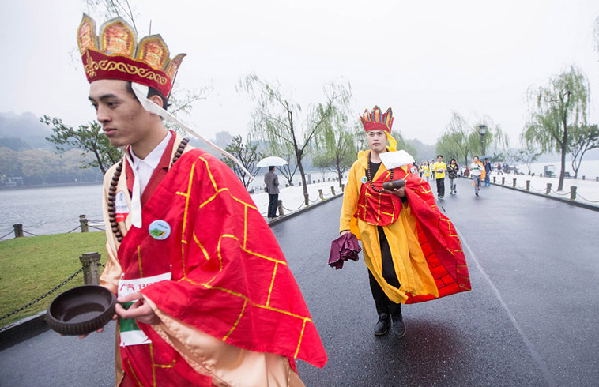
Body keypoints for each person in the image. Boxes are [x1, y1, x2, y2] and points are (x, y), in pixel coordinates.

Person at [76, 15, 325, 386]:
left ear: (153, 102)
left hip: (202, 338)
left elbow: (236, 265)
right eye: (95, 104)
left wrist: (162, 299)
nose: (100, 117)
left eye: (111, 103)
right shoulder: (114, 180)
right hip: (136, 335)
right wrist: (107, 291)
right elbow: (118, 257)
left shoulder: (206, 172)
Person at [339, 106, 471, 338]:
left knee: (392, 271)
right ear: (367, 137)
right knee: (374, 275)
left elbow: (416, 191)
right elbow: (349, 199)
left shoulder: (398, 163)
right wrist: (344, 229)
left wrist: (403, 194)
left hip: (394, 227)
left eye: (380, 133)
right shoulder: (357, 167)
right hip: (368, 229)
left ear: (386, 136)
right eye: (372, 134)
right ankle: (382, 317)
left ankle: (396, 314)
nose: (376, 138)